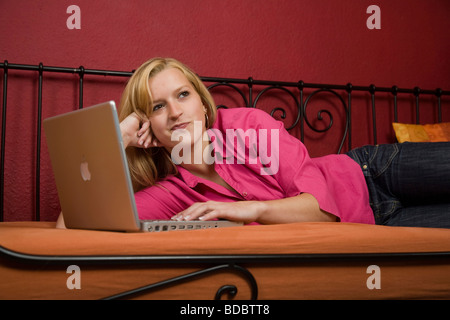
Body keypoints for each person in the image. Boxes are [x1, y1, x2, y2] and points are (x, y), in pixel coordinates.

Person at [58, 57, 450, 229]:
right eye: (157, 107)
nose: (175, 113)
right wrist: (118, 137)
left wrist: (249, 210)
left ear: (201, 99)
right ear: (150, 130)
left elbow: (321, 211)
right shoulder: (173, 194)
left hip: (371, 173)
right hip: (381, 223)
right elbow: (68, 230)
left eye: (182, 96)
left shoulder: (246, 125)